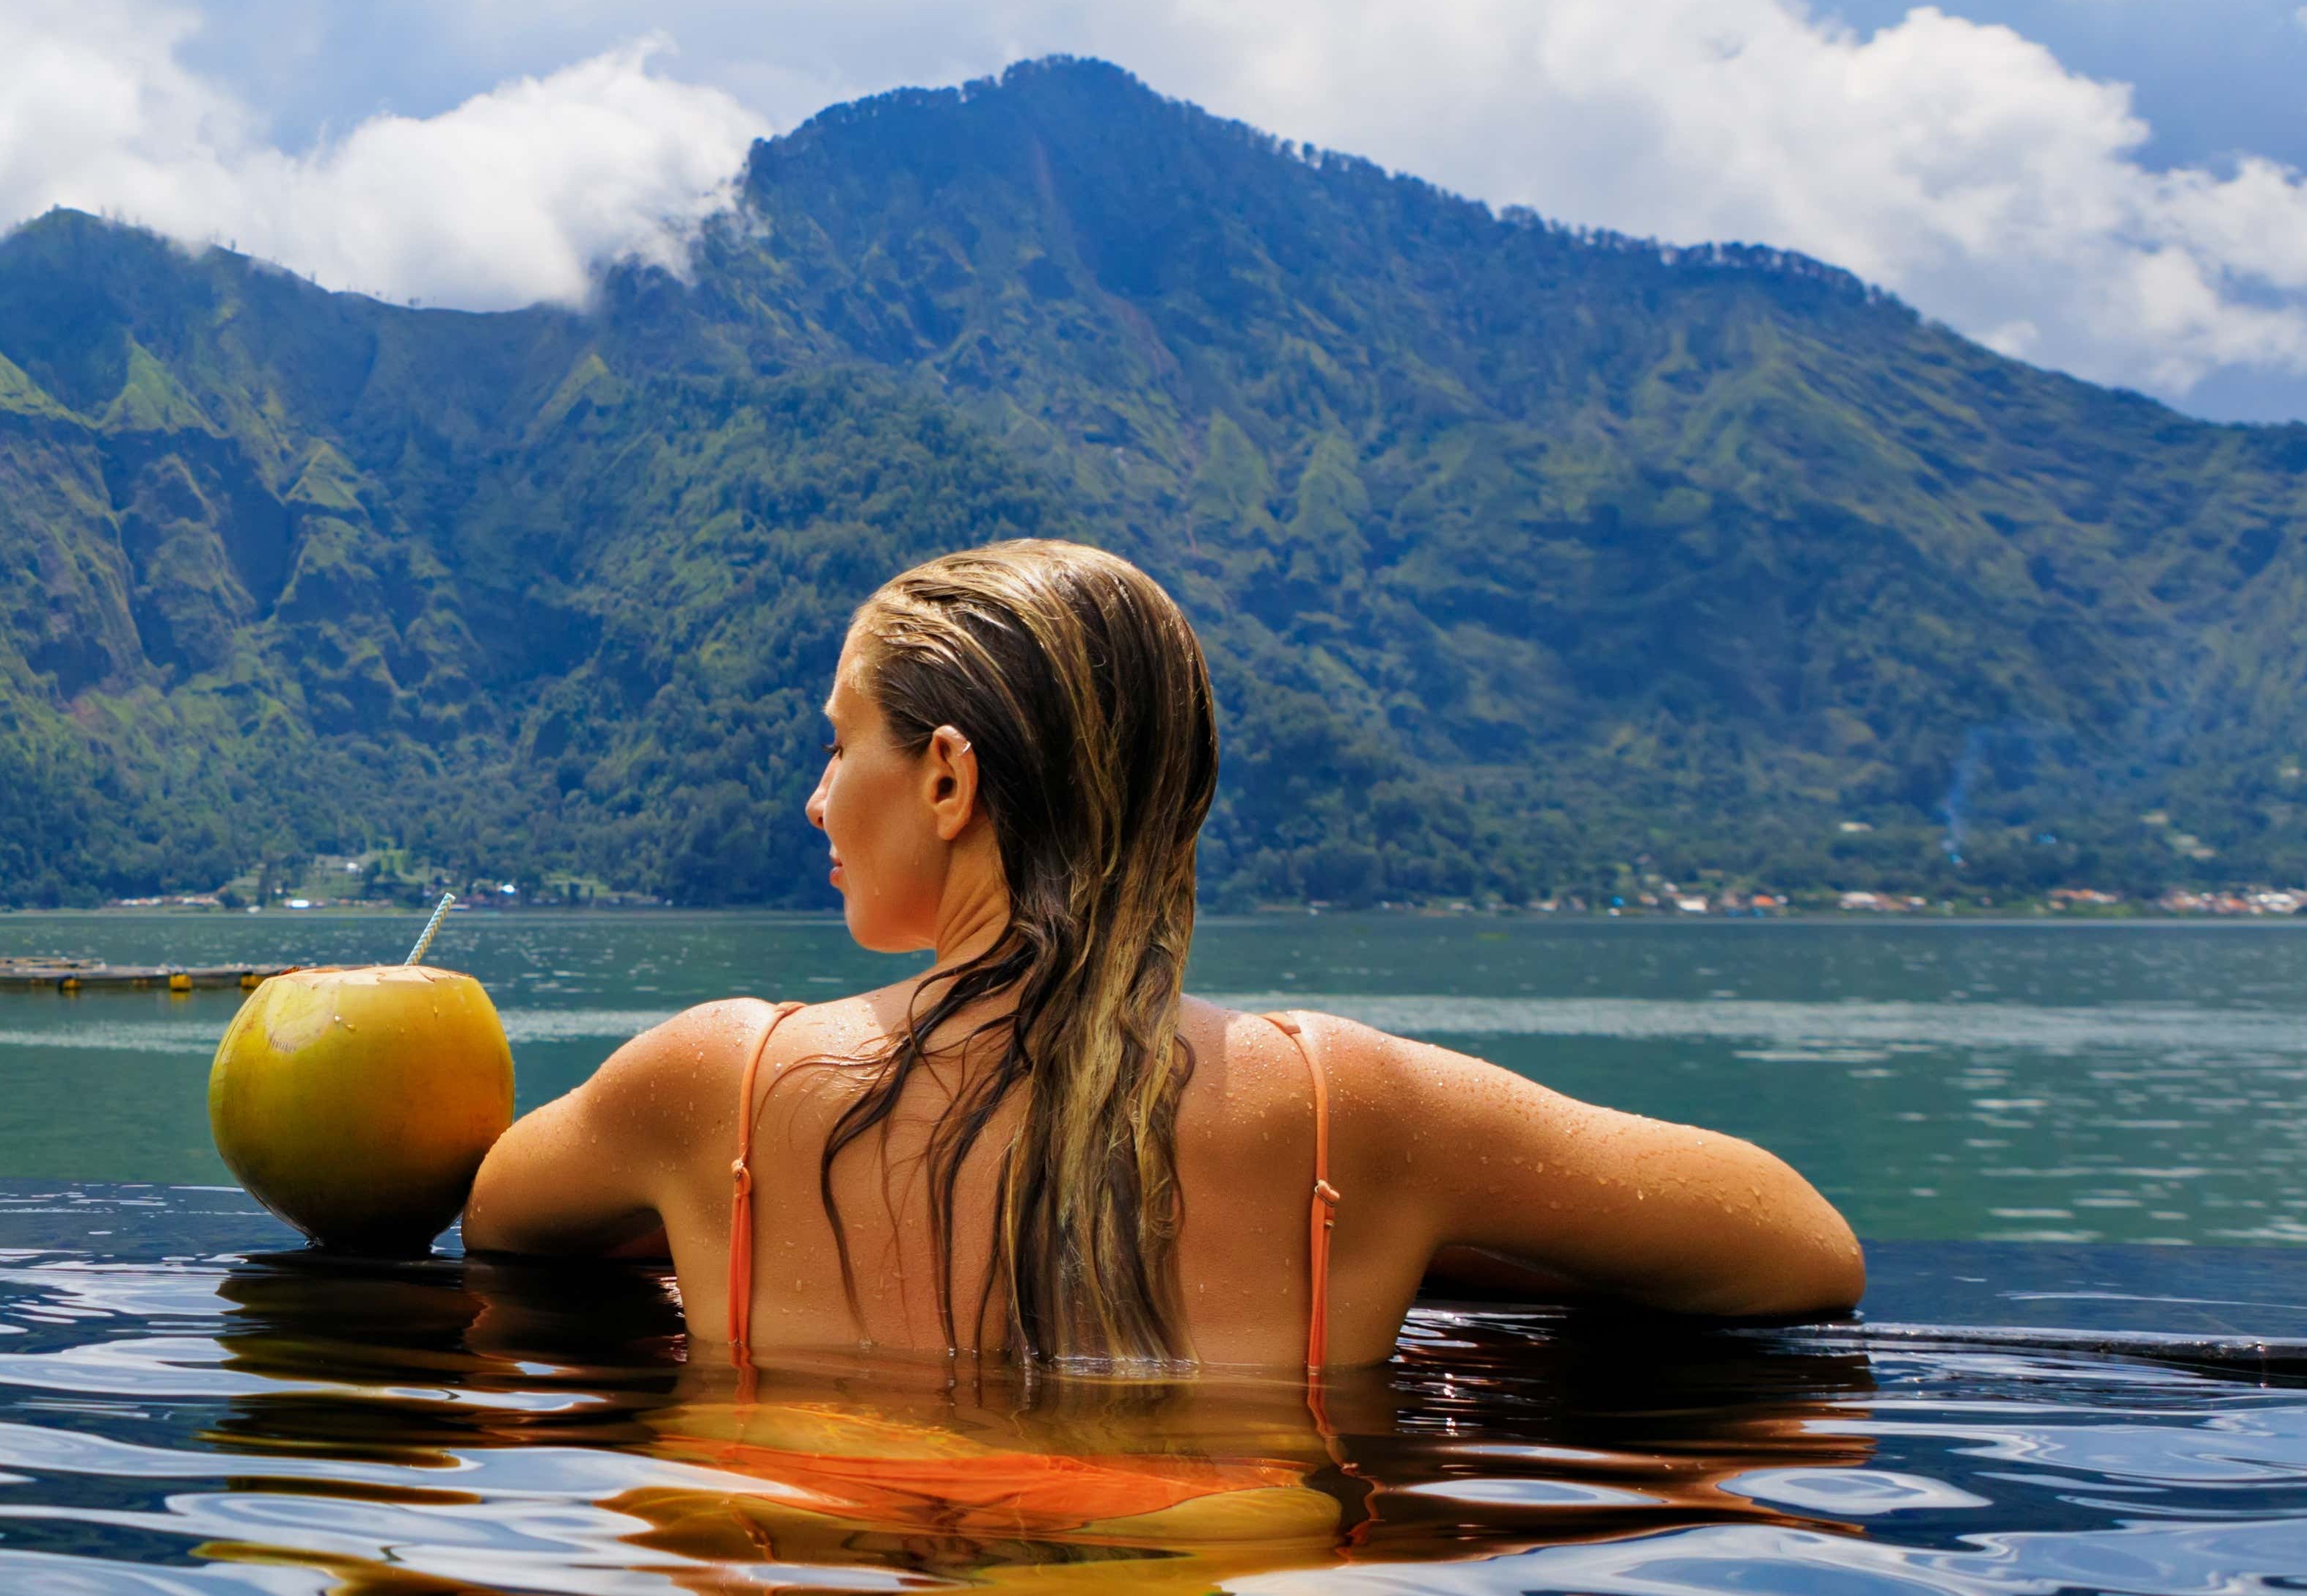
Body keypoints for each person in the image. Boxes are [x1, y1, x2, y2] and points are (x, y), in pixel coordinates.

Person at [464, 539, 1859, 1372]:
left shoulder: (719, 1086)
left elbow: (503, 1221)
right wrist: (1431, 1233)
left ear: (948, 779)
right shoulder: (1347, 1118)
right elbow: (1798, 1249)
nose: (818, 801)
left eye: (839, 745)